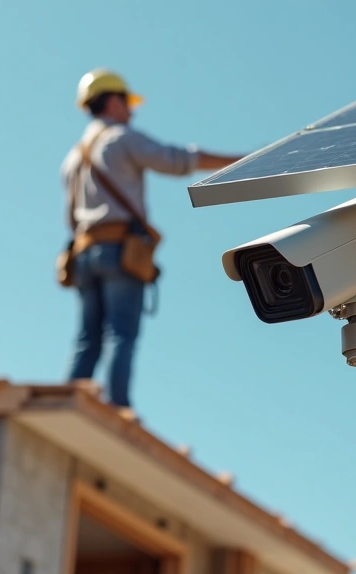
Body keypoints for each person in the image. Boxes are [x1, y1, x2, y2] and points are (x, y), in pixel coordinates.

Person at [61, 68, 243, 412]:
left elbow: (70, 220)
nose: (132, 111)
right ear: (113, 102)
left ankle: (67, 404)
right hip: (119, 250)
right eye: (128, 104)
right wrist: (239, 161)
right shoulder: (121, 139)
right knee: (121, 334)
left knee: (88, 339)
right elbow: (178, 160)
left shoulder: (72, 158)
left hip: (84, 253)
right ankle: (118, 409)